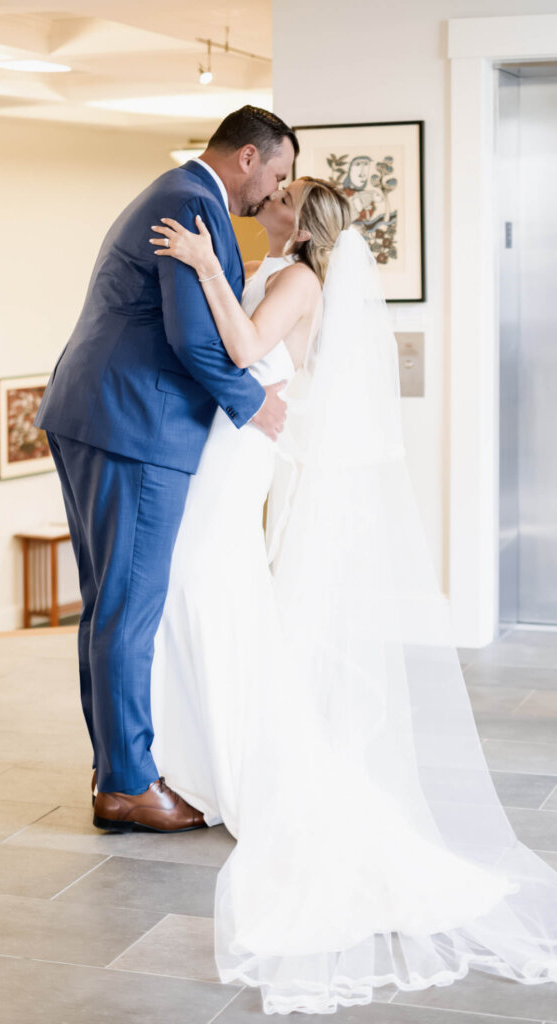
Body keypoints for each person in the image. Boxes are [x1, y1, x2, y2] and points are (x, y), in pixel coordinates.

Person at [148, 178, 557, 1013]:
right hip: (227, 443)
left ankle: (233, 752)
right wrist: (214, 269)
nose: (271, 191)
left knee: (203, 582)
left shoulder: (298, 275)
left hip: (241, 451)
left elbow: (240, 349)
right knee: (206, 589)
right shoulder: (273, 263)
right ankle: (211, 750)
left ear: (299, 220)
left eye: (285, 190)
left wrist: (199, 264)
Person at [34, 106, 296, 833]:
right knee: (127, 608)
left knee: (109, 604)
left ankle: (113, 763)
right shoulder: (189, 203)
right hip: (134, 424)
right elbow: (189, 336)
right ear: (247, 157)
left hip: (99, 412)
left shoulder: (180, 194)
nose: (271, 190)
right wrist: (252, 403)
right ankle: (125, 785)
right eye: (274, 173)